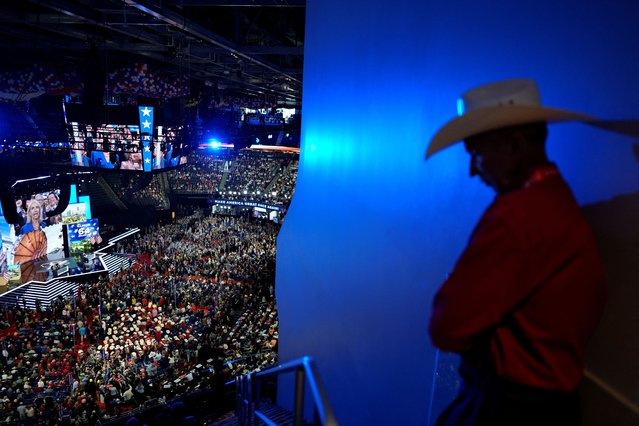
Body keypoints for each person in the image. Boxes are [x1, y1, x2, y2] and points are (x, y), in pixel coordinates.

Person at [425, 79, 617, 426]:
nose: (472, 170)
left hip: (507, 408)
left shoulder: (518, 217)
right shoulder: (558, 200)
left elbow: (446, 326)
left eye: (477, 153)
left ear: (515, 145)